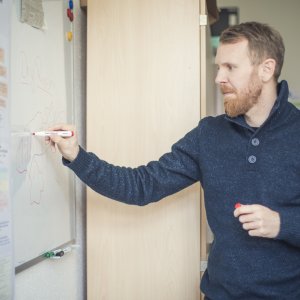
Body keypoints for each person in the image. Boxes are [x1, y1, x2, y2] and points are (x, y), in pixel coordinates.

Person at [48, 22, 300, 299]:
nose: (218, 78)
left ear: (266, 69)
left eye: (230, 67)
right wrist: (76, 155)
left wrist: (283, 223)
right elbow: (141, 185)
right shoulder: (209, 135)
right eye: (219, 67)